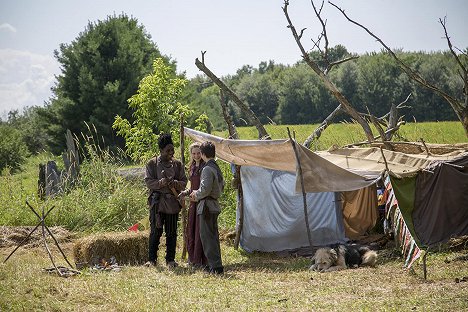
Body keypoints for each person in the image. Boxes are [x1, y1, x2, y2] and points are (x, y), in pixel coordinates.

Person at [144, 133, 187, 268]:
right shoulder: (152, 164)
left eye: (172, 149)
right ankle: (152, 260)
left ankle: (170, 260)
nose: (171, 152)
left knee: (172, 231)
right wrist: (160, 183)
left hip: (173, 203)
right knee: (156, 231)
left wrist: (175, 183)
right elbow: (149, 182)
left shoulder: (178, 164)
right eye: (167, 150)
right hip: (157, 203)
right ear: (161, 151)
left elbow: (184, 181)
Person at [190, 141, 225, 274]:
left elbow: (204, 190)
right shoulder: (216, 167)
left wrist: (195, 194)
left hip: (206, 207)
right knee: (213, 237)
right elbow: (222, 186)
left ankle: (215, 267)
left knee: (208, 238)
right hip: (213, 205)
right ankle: (216, 265)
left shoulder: (207, 169)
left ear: (203, 154)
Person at [179, 143, 207, 268]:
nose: (196, 155)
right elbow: (191, 187)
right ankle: (193, 259)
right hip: (192, 202)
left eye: (198, 153)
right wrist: (184, 192)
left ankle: (201, 259)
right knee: (192, 229)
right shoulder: (191, 167)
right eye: (194, 153)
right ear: (191, 154)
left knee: (200, 230)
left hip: (201, 201)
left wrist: (198, 196)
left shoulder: (204, 166)